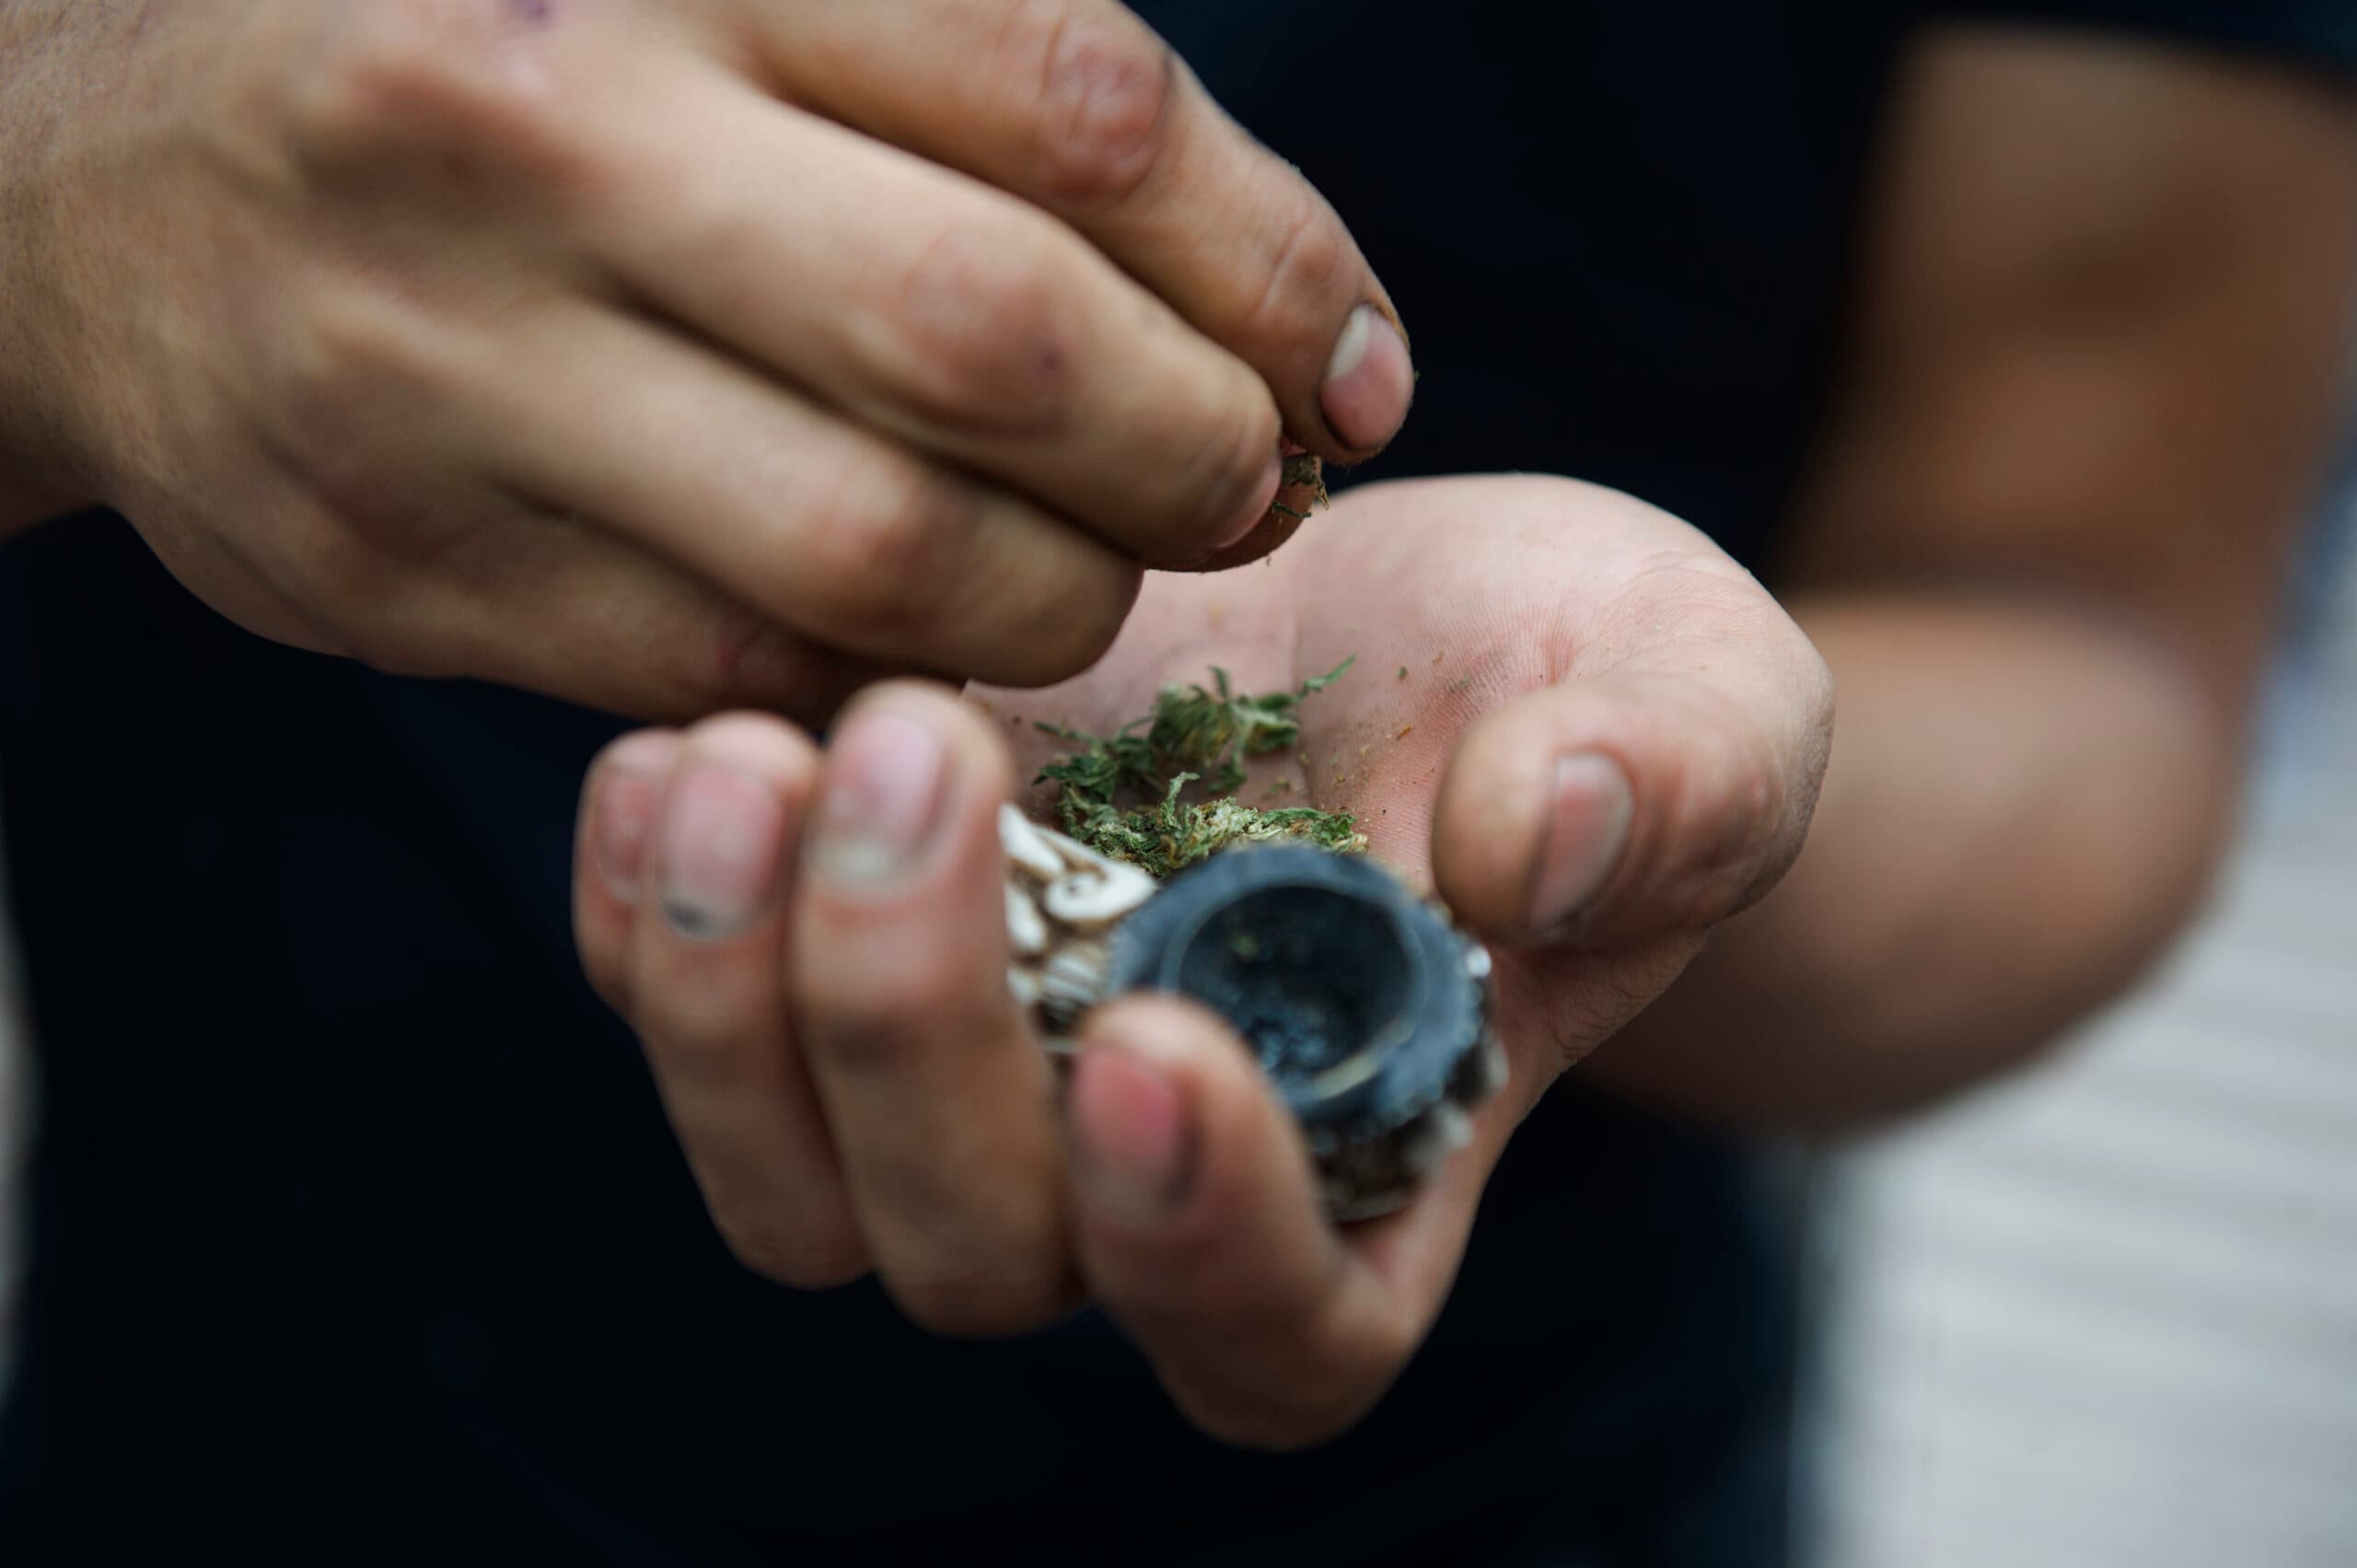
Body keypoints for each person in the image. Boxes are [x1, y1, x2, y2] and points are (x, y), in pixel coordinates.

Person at [0, 0, 2349, 1562]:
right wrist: (51, 226)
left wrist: (1604, 806)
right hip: (230, 1413)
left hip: (1526, 1468)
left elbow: (2090, 618)